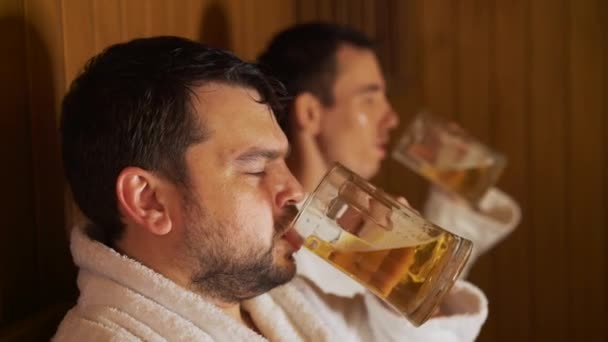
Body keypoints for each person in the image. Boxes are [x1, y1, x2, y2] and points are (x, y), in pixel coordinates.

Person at [55, 36, 396, 341]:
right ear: (149, 201)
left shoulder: (265, 295)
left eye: (283, 164)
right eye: (257, 168)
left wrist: (399, 289)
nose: (295, 190)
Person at [259, 22, 521, 341]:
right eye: (370, 98)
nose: (392, 118)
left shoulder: (364, 229)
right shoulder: (273, 247)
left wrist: (452, 199)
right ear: (311, 113)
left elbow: (427, 298)